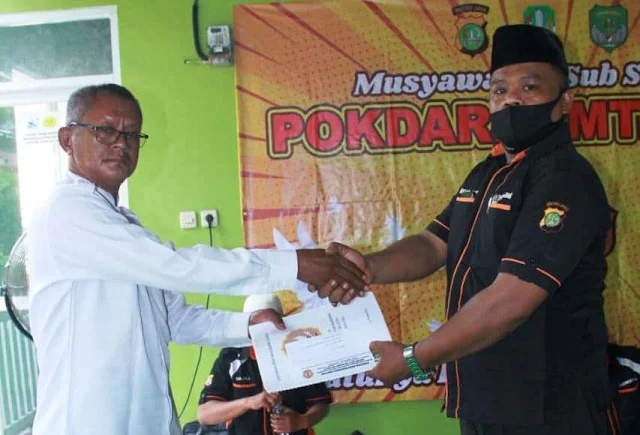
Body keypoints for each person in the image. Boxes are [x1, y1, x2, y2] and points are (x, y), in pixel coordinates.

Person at [314, 25, 619, 434]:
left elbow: (511, 299)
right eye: (499, 90)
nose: (511, 98)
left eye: (529, 87)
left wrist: (413, 359)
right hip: (486, 399)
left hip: (551, 405)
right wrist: (367, 267)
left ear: (565, 101)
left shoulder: (564, 179)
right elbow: (432, 244)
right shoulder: (487, 173)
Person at [26, 84, 366, 435]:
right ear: (67, 139)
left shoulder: (124, 225)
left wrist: (248, 324)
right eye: (105, 130)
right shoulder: (66, 212)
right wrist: (294, 265)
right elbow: (178, 267)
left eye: (131, 134)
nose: (120, 143)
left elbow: (175, 318)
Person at [197, 294, 332, 435]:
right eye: (257, 325)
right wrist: (248, 402)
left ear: (282, 321)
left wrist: (302, 421)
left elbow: (321, 403)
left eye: (270, 324)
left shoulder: (299, 351)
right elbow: (204, 415)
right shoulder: (231, 356)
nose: (263, 332)